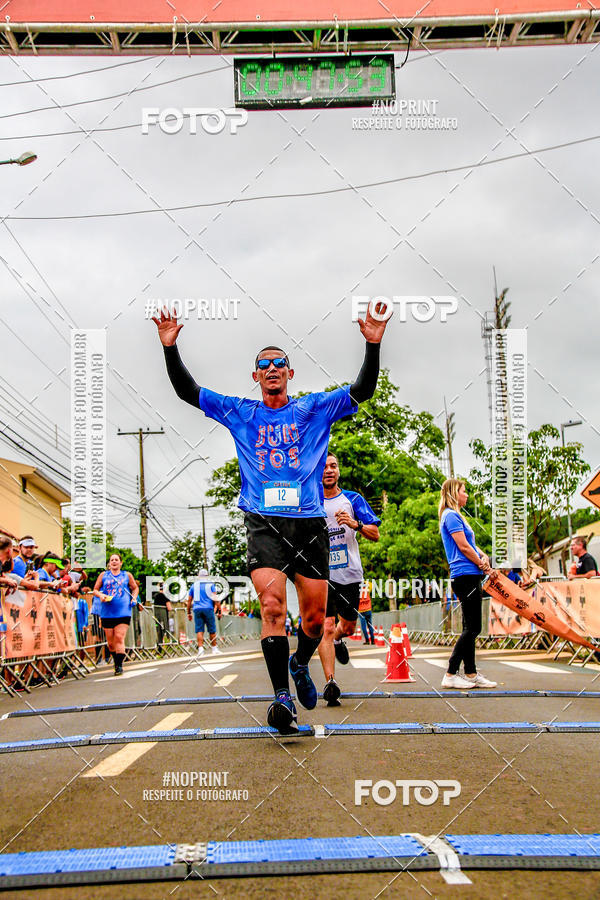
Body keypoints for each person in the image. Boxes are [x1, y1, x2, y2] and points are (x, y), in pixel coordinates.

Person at [154, 300, 390, 734]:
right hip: (263, 522)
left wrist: (372, 344)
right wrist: (170, 347)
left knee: (316, 621)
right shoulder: (242, 412)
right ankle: (282, 699)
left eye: (280, 363)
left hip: (309, 522)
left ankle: (301, 664)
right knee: (272, 606)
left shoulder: (314, 409)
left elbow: (362, 390)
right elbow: (190, 393)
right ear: (256, 376)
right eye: (264, 364)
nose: (272, 368)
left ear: (290, 373)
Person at [318, 453, 381, 705]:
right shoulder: (311, 500)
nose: (329, 470)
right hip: (322, 576)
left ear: (339, 471)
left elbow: (375, 534)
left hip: (350, 574)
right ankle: (330, 682)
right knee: (326, 627)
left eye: (333, 466)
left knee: (348, 627)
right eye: (324, 467)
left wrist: (354, 524)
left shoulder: (353, 499)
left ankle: (338, 640)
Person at [438, 478, 497, 689]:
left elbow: (471, 544)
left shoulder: (456, 516)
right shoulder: (450, 515)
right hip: (465, 575)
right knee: (473, 627)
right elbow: (463, 547)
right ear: (455, 493)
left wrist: (483, 555)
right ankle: (451, 672)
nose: (467, 495)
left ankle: (471, 673)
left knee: (469, 626)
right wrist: (484, 565)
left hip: (470, 574)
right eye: (464, 491)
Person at [92, 553, 139, 676]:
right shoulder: (103, 575)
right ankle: (115, 659)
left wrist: (134, 598)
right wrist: (101, 595)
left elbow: (135, 588)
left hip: (123, 610)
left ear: (120, 563)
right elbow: (95, 590)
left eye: (116, 560)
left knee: (119, 637)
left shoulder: (127, 575)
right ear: (109, 563)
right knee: (111, 643)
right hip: (107, 611)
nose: (114, 562)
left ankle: (119, 666)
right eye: (112, 560)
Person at [187, 568, 222, 656]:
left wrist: (188, 613)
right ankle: (214, 648)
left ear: (199, 576)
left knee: (199, 630)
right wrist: (219, 610)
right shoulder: (210, 585)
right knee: (212, 629)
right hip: (208, 608)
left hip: (197, 609)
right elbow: (215, 598)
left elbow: (189, 600)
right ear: (207, 576)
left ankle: (201, 649)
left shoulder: (193, 585)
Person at [153, 582, 172, 651]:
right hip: (164, 616)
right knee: (166, 629)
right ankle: (168, 644)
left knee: (158, 631)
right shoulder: (165, 596)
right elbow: (169, 608)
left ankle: (159, 646)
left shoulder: (156, 596)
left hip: (157, 616)